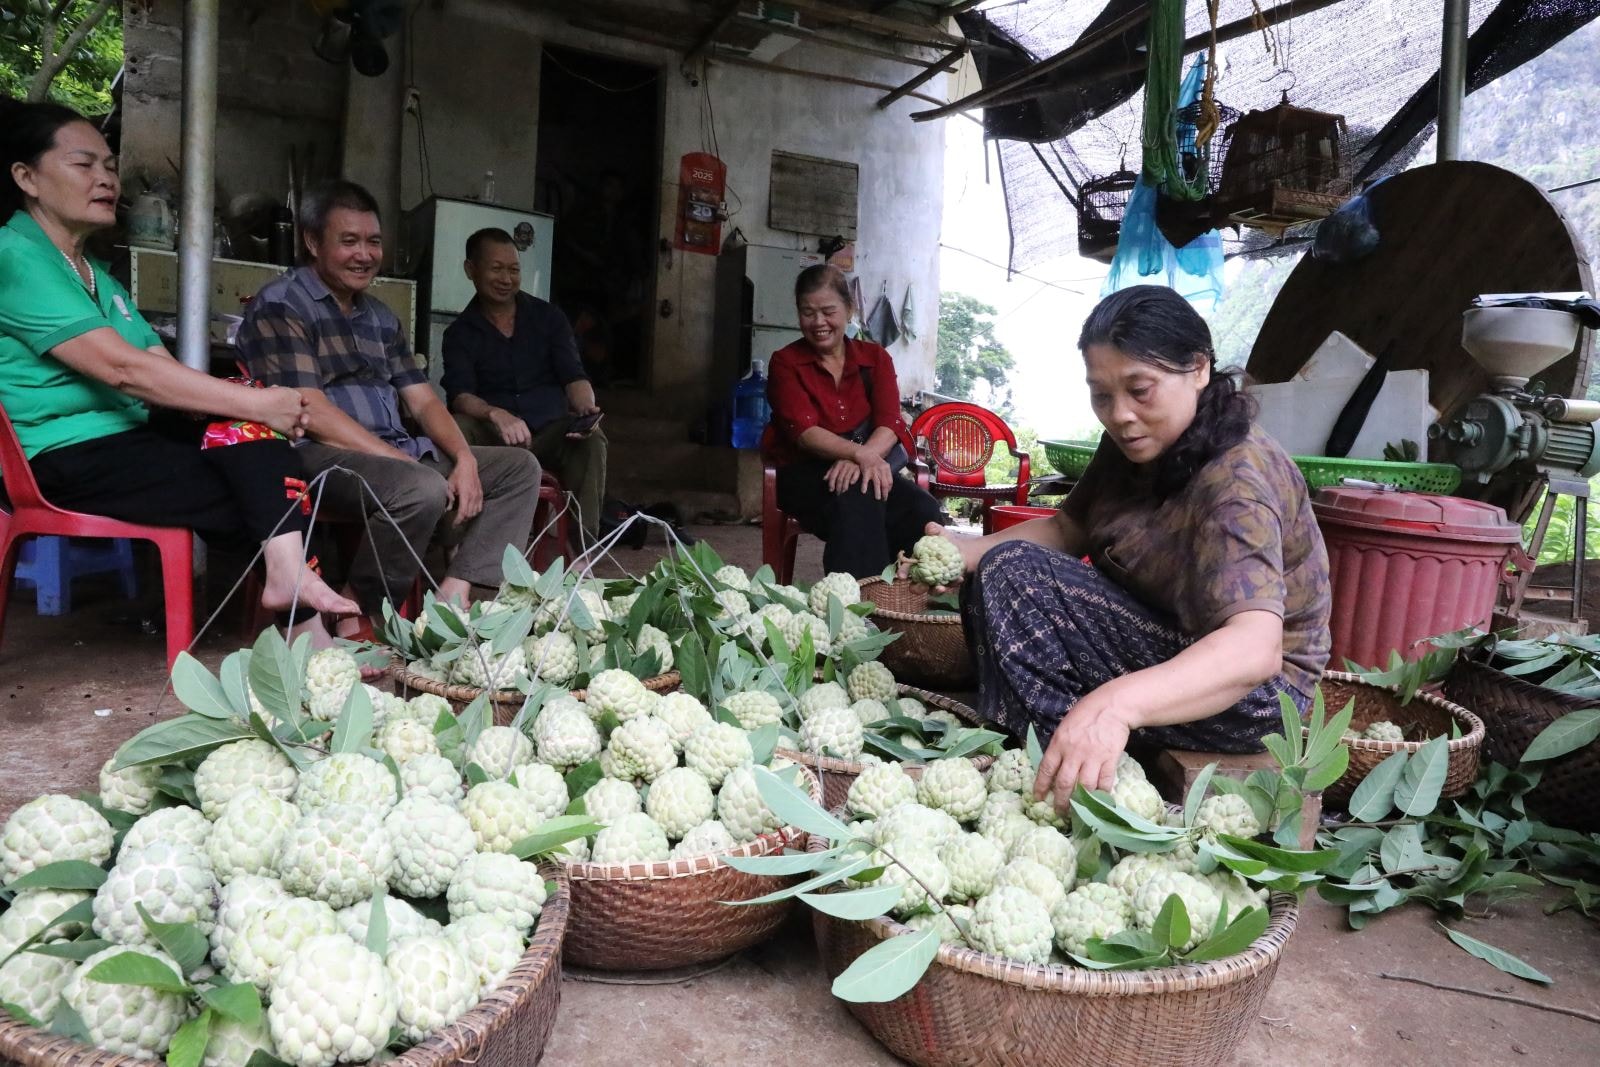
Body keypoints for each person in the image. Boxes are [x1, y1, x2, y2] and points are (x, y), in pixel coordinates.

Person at [930, 286, 1331, 811]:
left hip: (1259, 700)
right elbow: (1068, 529)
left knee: (1014, 576)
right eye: (1102, 394)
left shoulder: (1236, 483)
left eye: (1140, 390)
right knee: (999, 572)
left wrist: (1115, 706)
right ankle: (1049, 748)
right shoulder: (1136, 442)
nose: (1119, 415)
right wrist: (965, 549)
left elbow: (1254, 652)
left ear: (1198, 369)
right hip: (1176, 641)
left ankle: (1063, 769)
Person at [0, 99, 357, 644]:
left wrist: (253, 405)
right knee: (251, 479)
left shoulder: (99, 278)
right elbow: (122, 369)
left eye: (110, 166)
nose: (106, 179)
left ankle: (293, 597)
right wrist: (258, 406)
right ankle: (307, 628)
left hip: (124, 436)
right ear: (26, 177)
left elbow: (166, 376)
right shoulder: (15, 255)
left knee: (248, 432)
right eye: (84, 165)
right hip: (59, 453)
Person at [236, 180, 540, 635]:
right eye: (349, 241)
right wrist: (399, 460)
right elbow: (310, 410)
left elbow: (422, 399)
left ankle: (452, 596)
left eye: (373, 242)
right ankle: (358, 608)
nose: (365, 254)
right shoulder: (282, 306)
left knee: (519, 469)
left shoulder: (379, 316)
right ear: (313, 242)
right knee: (420, 487)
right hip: (315, 454)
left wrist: (464, 459)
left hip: (393, 453)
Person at [766, 264, 947, 578]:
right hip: (803, 473)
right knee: (861, 496)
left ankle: (909, 596)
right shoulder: (786, 362)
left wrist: (861, 458)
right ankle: (858, 603)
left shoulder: (875, 358)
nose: (818, 322)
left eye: (828, 311)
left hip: (868, 461)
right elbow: (804, 432)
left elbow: (890, 421)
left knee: (923, 510)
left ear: (849, 310)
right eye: (808, 312)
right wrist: (858, 454)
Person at [441, 227, 606, 542]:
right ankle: (455, 542)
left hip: (548, 433)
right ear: (471, 270)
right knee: (456, 427)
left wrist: (587, 409)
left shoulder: (549, 318)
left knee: (592, 440)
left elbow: (573, 375)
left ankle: (583, 550)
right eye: (497, 269)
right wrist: (495, 413)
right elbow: (460, 395)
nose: (507, 279)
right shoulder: (460, 333)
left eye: (514, 270)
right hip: (496, 441)